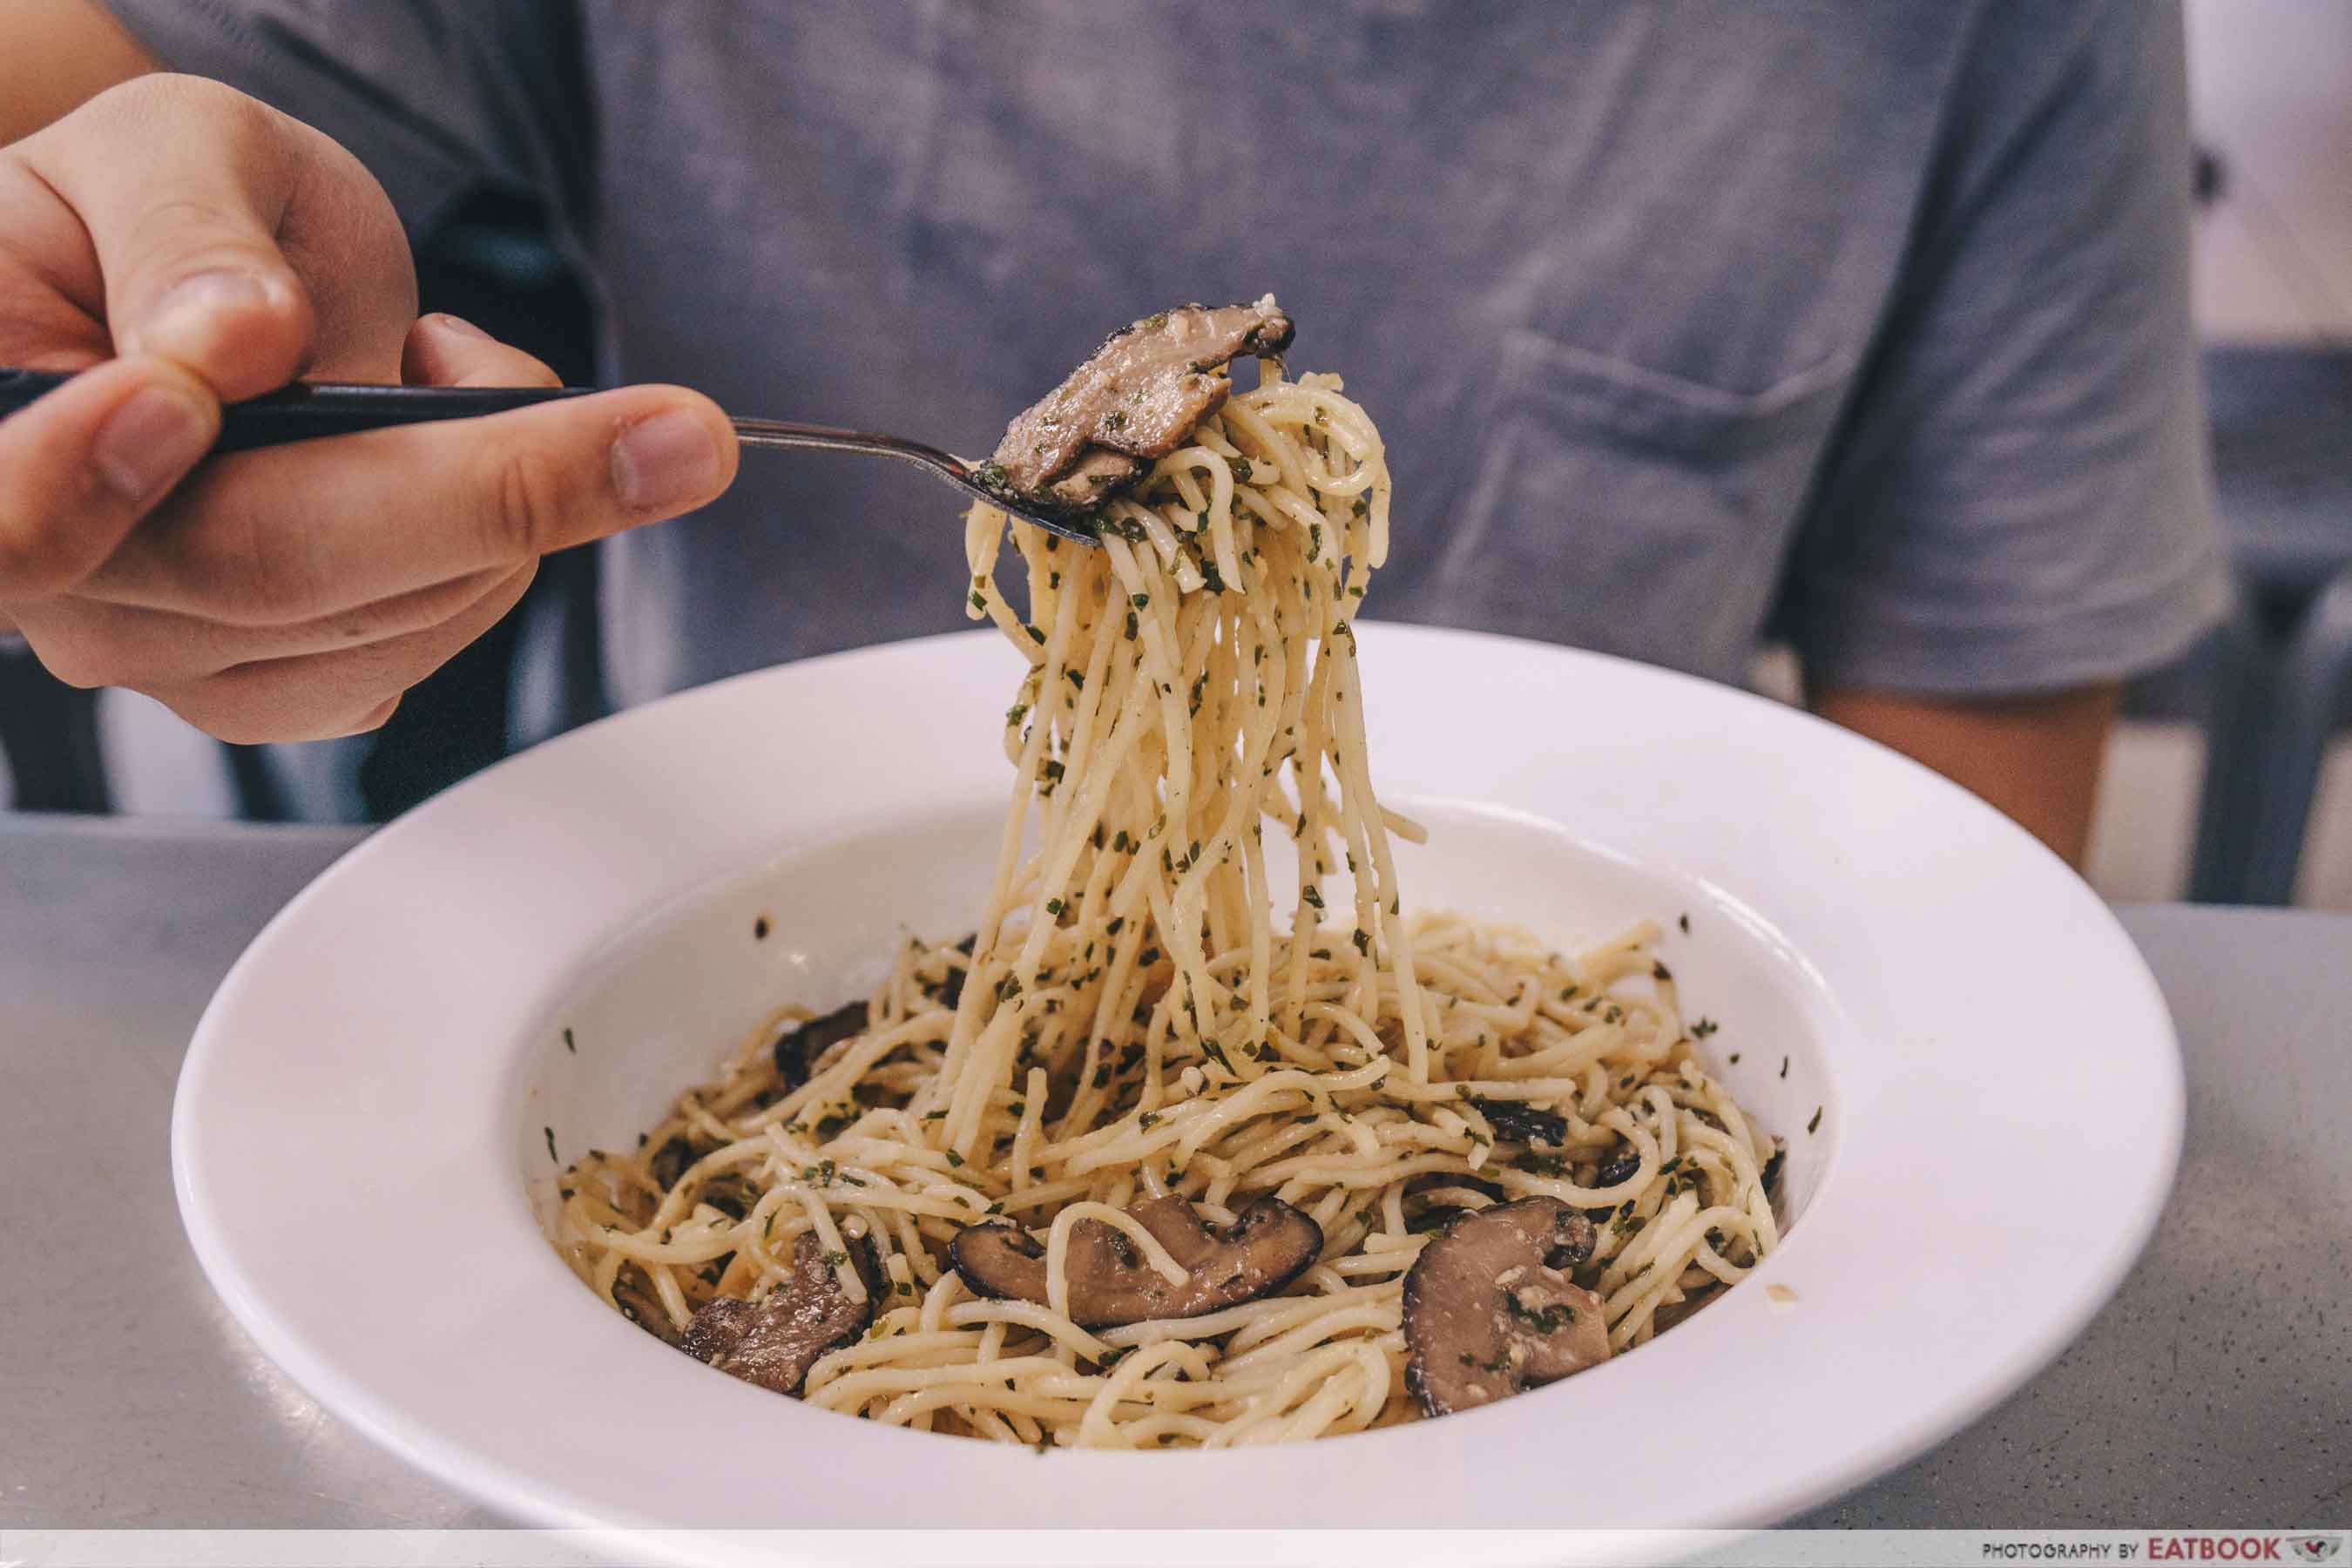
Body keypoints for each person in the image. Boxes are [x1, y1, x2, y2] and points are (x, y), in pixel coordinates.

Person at [0, 1, 2227, 864]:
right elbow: (85, 83)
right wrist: (100, 227)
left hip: (1533, 979)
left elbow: (1973, 812)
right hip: (731, 952)